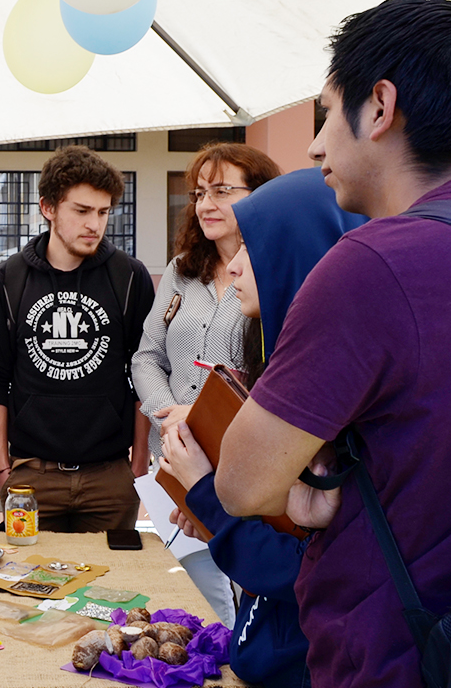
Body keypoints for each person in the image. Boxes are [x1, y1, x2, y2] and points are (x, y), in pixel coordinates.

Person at [197, 0, 451, 688]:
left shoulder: (373, 263)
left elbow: (244, 484)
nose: (313, 147)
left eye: (323, 113)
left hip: (393, 652)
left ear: (377, 105)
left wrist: (297, 497)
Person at [163, 168, 367, 688]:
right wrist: (209, 508)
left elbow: (301, 569)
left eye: (250, 248)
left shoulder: (338, 402)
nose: (232, 267)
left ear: (297, 255)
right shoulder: (278, 363)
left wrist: (206, 494)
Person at [131, 142, 280, 625]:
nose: (205, 205)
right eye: (199, 193)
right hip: (173, 462)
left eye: (222, 191)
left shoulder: (276, 273)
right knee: (195, 599)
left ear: (260, 196)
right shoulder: (180, 271)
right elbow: (146, 356)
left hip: (243, 467)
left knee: (248, 589)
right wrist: (168, 412)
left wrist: (197, 419)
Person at [0, 145, 155, 532]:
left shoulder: (129, 277)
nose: (95, 224)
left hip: (110, 477)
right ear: (48, 208)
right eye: (82, 210)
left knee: (109, 589)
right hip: (32, 477)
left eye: (103, 212)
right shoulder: (9, 279)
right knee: (26, 587)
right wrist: (0, 470)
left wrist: (138, 466)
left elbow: (146, 371)